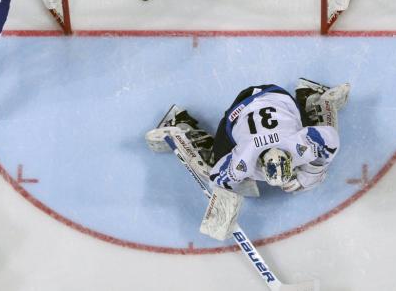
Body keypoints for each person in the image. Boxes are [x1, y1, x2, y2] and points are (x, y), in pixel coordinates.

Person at [145, 78, 350, 239]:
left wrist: (309, 174)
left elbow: (330, 140)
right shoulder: (243, 160)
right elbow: (216, 176)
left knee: (312, 136)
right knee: (209, 165)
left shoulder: (300, 144)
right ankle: (181, 126)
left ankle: (310, 97)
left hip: (277, 97)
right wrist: (226, 197)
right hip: (240, 108)